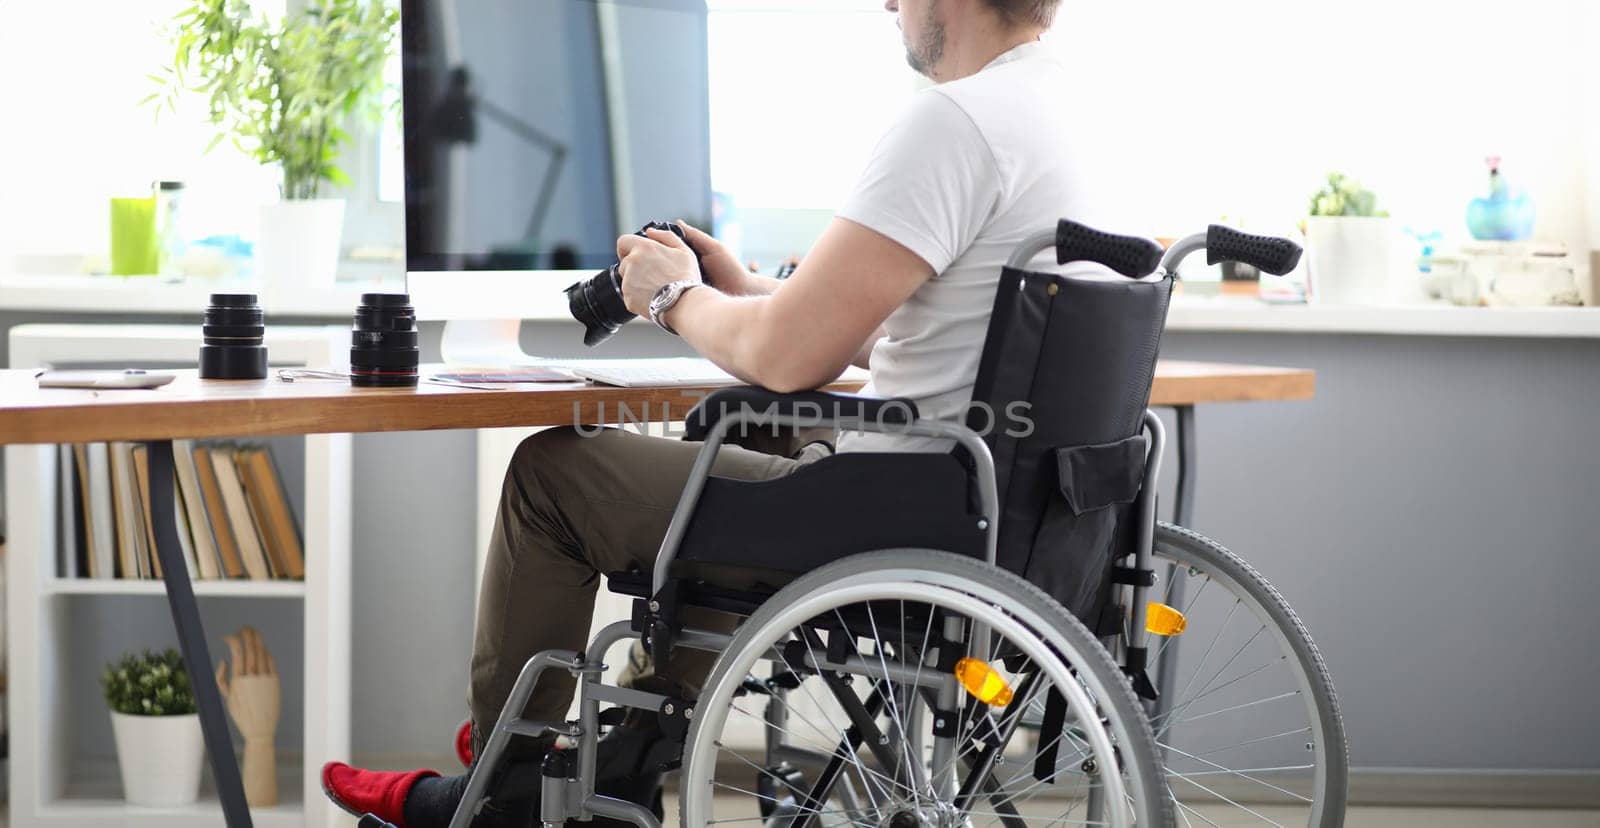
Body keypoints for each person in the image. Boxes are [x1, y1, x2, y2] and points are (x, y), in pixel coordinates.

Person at [319, 0, 1108, 824]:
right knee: (748, 423)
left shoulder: (955, 123)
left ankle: (503, 795)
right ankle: (628, 755)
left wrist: (668, 296)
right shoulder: (1067, 119)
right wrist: (747, 294)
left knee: (552, 474)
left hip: (908, 524)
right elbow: (940, 339)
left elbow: (786, 357)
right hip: (1019, 520)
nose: (887, 4)